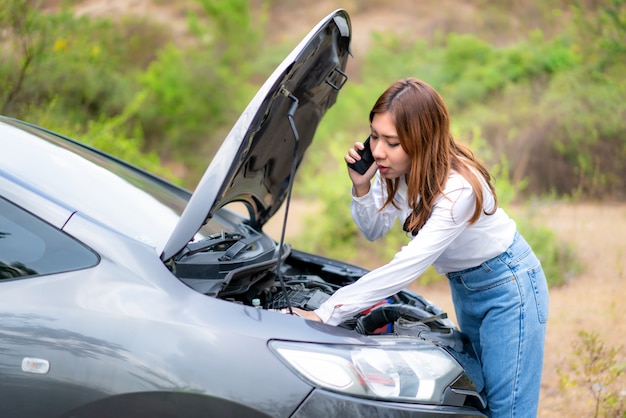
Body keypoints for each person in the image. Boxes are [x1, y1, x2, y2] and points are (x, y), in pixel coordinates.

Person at [293, 77, 549, 417]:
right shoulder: (396, 171)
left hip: (508, 287)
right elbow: (374, 229)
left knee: (509, 410)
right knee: (479, 396)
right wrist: (361, 186)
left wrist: (326, 313)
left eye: (392, 142)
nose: (378, 151)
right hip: (466, 287)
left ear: (422, 141)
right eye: (374, 136)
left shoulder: (457, 190)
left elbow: (407, 265)